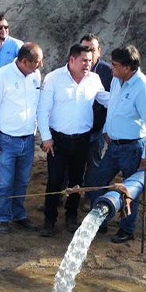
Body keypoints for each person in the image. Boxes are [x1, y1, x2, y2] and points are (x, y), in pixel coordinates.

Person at [36, 44, 109, 237]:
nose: (88, 64)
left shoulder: (94, 79)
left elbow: (104, 99)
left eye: (90, 61)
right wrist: (46, 138)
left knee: (77, 181)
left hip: (83, 139)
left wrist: (125, 100)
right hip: (57, 140)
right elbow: (42, 110)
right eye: (84, 60)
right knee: (55, 180)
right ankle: (49, 220)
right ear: (72, 60)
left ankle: (71, 216)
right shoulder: (54, 78)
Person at [90, 45, 146, 244]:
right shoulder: (117, 80)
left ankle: (127, 229)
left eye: (115, 65)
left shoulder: (143, 88)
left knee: (130, 189)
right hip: (113, 145)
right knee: (98, 181)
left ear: (128, 67)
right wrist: (107, 130)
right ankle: (100, 222)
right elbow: (112, 106)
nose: (111, 68)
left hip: (132, 148)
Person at [0, 42, 43, 234]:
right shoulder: (1, 76)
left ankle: (19, 215)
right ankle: (3, 218)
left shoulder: (35, 76)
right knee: (6, 182)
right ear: (24, 61)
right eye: (37, 62)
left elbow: (37, 105)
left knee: (23, 181)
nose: (41, 65)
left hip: (28, 139)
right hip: (6, 140)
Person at [80, 34, 114, 210]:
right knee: (69, 163)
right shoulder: (72, 68)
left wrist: (108, 128)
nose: (89, 53)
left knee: (94, 163)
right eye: (84, 49)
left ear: (99, 51)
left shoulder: (108, 72)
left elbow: (112, 101)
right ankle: (62, 194)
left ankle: (89, 196)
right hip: (75, 128)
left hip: (98, 127)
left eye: (92, 49)